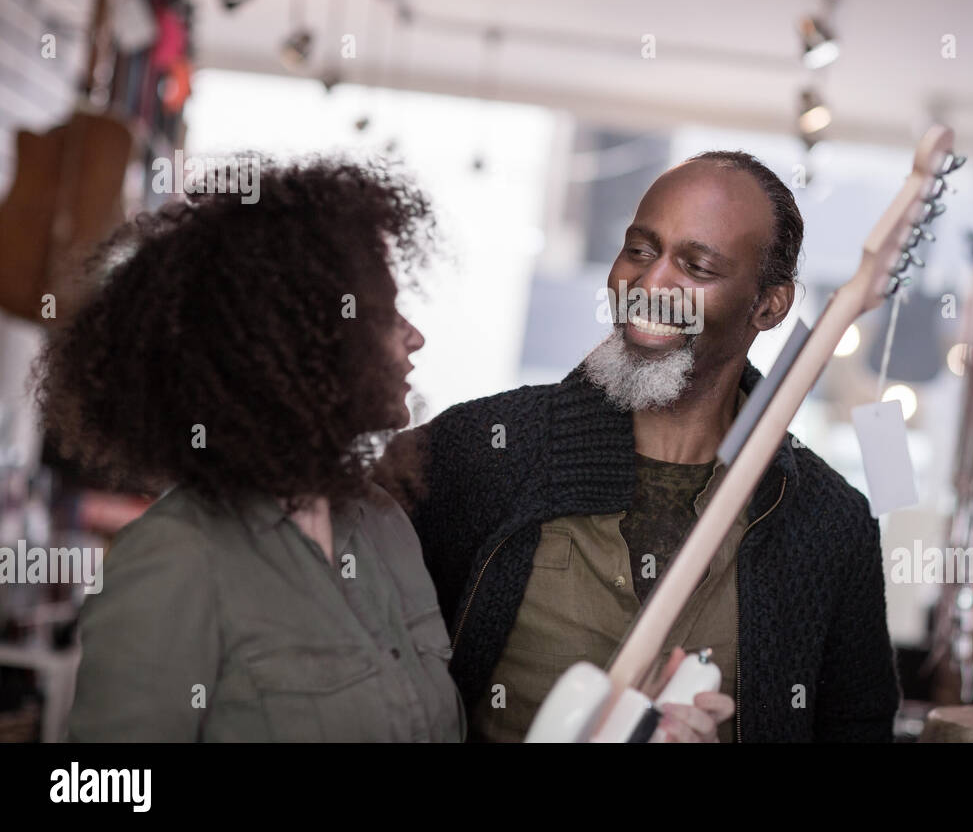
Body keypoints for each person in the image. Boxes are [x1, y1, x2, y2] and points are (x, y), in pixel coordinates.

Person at [377, 150, 900, 742]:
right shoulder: (476, 451)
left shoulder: (829, 522)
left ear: (769, 305)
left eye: (698, 267)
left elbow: (857, 731)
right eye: (640, 250)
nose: (650, 284)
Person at [39, 158, 464, 742]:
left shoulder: (385, 524)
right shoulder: (179, 556)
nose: (414, 335)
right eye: (383, 312)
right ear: (298, 339)